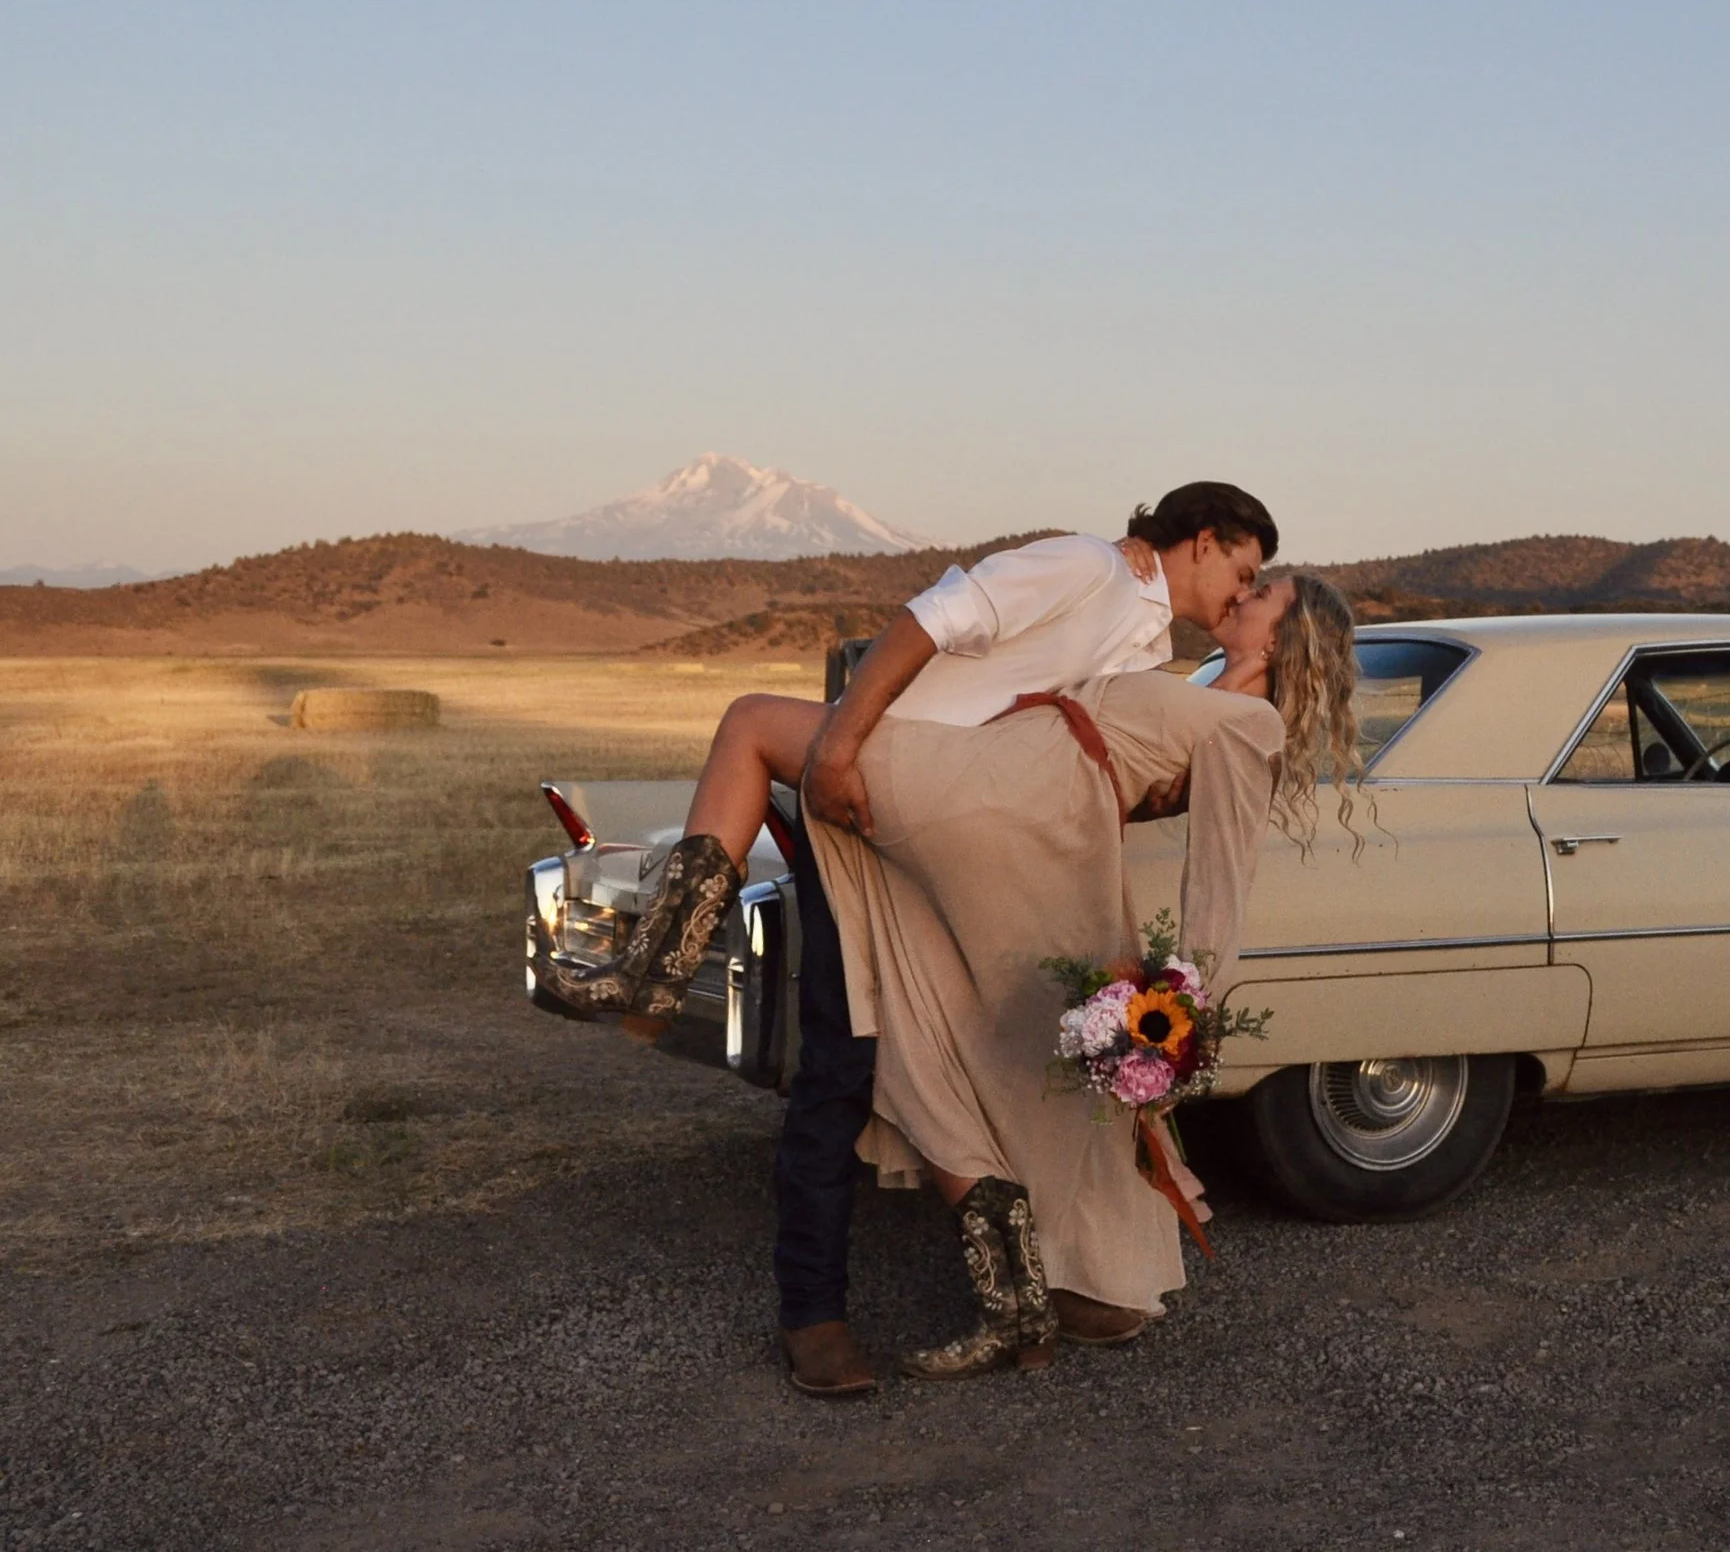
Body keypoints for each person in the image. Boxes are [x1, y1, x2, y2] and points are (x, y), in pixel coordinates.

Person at [532, 483, 1278, 1395]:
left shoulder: (1148, 643)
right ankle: (864, 1313)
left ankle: (654, 973)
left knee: (897, 1052)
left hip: (926, 810)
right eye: (1243, 570)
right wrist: (844, 743)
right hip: (888, 797)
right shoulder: (1087, 566)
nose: (1241, 592)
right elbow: (931, 618)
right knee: (871, 1058)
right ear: (1203, 540)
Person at [811, 570, 1361, 1379]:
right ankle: (1026, 1304)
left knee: (994, 1062)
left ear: (1282, 637)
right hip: (1012, 835)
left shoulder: (1249, 724)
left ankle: (1040, 1301)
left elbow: (1221, 880)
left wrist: (1181, 1013)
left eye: (1264, 592)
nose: (1242, 594)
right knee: (927, 1033)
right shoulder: (1194, 689)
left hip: (1044, 871)